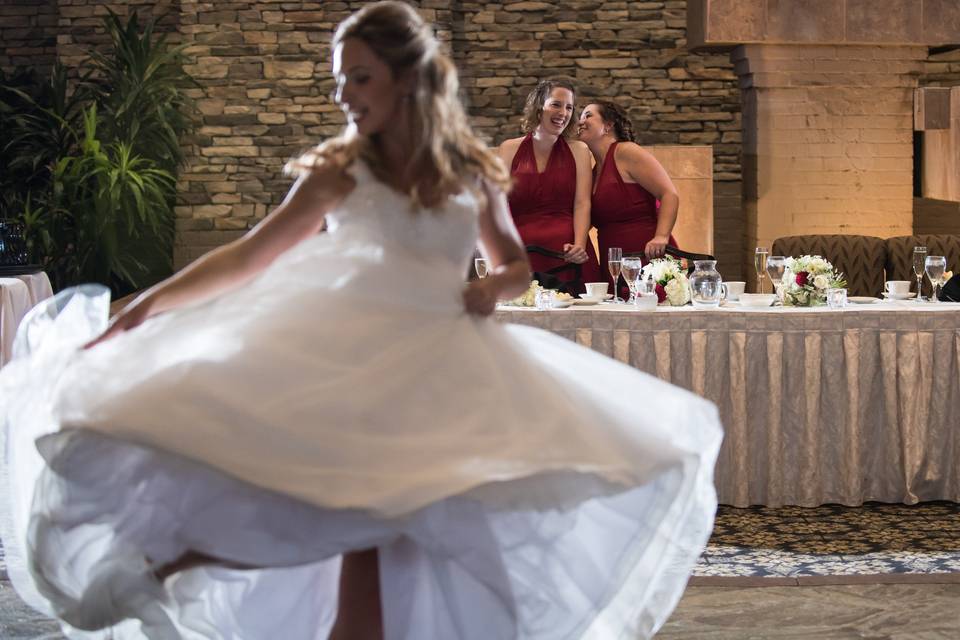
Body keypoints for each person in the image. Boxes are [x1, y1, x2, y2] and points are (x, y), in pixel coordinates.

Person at [0, 3, 721, 639]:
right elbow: (251, 256)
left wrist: (490, 289)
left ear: (408, 79)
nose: (344, 94)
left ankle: (180, 569)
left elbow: (514, 264)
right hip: (345, 359)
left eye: (360, 77)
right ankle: (162, 565)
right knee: (333, 515)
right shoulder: (340, 169)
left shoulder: (469, 169)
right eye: (339, 79)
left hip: (436, 367)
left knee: (397, 548)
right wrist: (146, 307)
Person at [498, 79, 601, 292]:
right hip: (521, 253)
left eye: (569, 107)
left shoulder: (579, 150)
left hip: (567, 253)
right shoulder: (508, 149)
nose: (563, 112)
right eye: (556, 104)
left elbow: (582, 203)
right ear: (538, 106)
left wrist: (580, 245)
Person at [577, 100, 681, 298]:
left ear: (608, 125)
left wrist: (661, 236)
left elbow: (669, 194)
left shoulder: (626, 152)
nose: (580, 121)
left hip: (647, 256)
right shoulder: (592, 172)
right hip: (615, 262)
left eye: (588, 115)